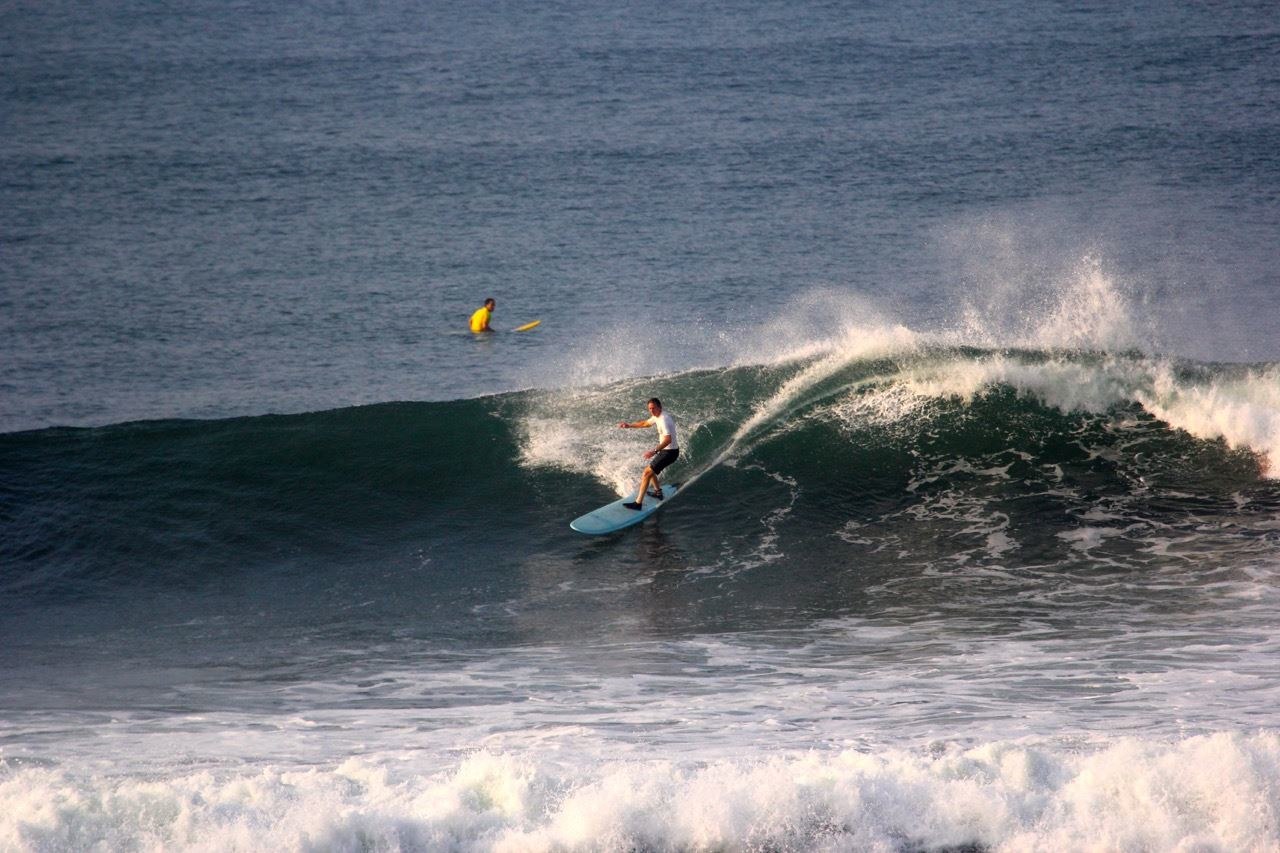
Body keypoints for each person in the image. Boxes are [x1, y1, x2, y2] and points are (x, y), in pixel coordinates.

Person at [618, 397, 679, 510]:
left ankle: (638, 504)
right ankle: (658, 492)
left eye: (653, 408)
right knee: (650, 470)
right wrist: (629, 425)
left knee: (647, 473)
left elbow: (668, 440)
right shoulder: (657, 416)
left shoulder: (664, 419)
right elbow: (646, 423)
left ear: (660, 407)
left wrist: (654, 451)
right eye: (650, 409)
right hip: (666, 451)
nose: (651, 411)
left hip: (670, 452)